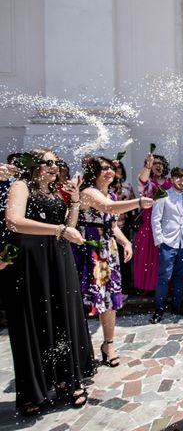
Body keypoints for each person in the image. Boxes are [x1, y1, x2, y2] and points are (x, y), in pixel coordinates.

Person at [4, 149, 93, 415]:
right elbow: (14, 221)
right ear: (33, 164)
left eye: (57, 163)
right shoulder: (21, 186)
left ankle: (70, 380)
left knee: (63, 316)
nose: (54, 167)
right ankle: (34, 389)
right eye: (48, 162)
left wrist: (74, 203)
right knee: (33, 320)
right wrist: (60, 230)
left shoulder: (56, 192)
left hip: (59, 258)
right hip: (31, 261)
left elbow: (69, 226)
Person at [73, 157, 153, 367]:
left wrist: (126, 242)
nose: (109, 171)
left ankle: (108, 344)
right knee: (86, 298)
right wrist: (138, 202)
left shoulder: (110, 194)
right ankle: (79, 348)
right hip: (88, 251)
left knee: (108, 298)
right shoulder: (88, 192)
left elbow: (112, 223)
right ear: (93, 172)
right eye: (104, 168)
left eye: (111, 168)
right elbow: (109, 208)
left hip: (107, 251)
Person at [150, 167, 183, 323]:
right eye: (178, 178)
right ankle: (159, 309)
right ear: (172, 178)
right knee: (164, 277)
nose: (181, 181)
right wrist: (159, 240)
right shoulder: (162, 194)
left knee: (179, 277)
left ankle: (177, 306)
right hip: (168, 242)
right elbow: (155, 218)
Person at [133, 153, 172, 292]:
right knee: (149, 257)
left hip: (168, 225)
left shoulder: (170, 182)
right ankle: (149, 287)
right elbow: (142, 179)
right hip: (149, 226)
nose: (158, 165)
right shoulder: (147, 183)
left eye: (160, 163)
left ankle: (167, 287)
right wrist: (147, 166)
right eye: (155, 163)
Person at [110, 159, 137, 293]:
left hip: (124, 225)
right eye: (115, 168)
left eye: (119, 168)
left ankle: (126, 287)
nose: (117, 170)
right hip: (110, 227)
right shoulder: (107, 188)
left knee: (125, 258)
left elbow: (132, 205)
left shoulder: (127, 186)